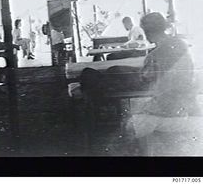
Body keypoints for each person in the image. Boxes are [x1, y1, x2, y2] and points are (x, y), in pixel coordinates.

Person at [80, 12, 198, 154]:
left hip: (168, 98)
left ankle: (98, 109)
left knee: (98, 74)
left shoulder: (157, 53)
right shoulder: (179, 43)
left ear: (147, 32)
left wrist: (134, 73)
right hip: (183, 94)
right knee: (115, 70)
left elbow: (146, 78)